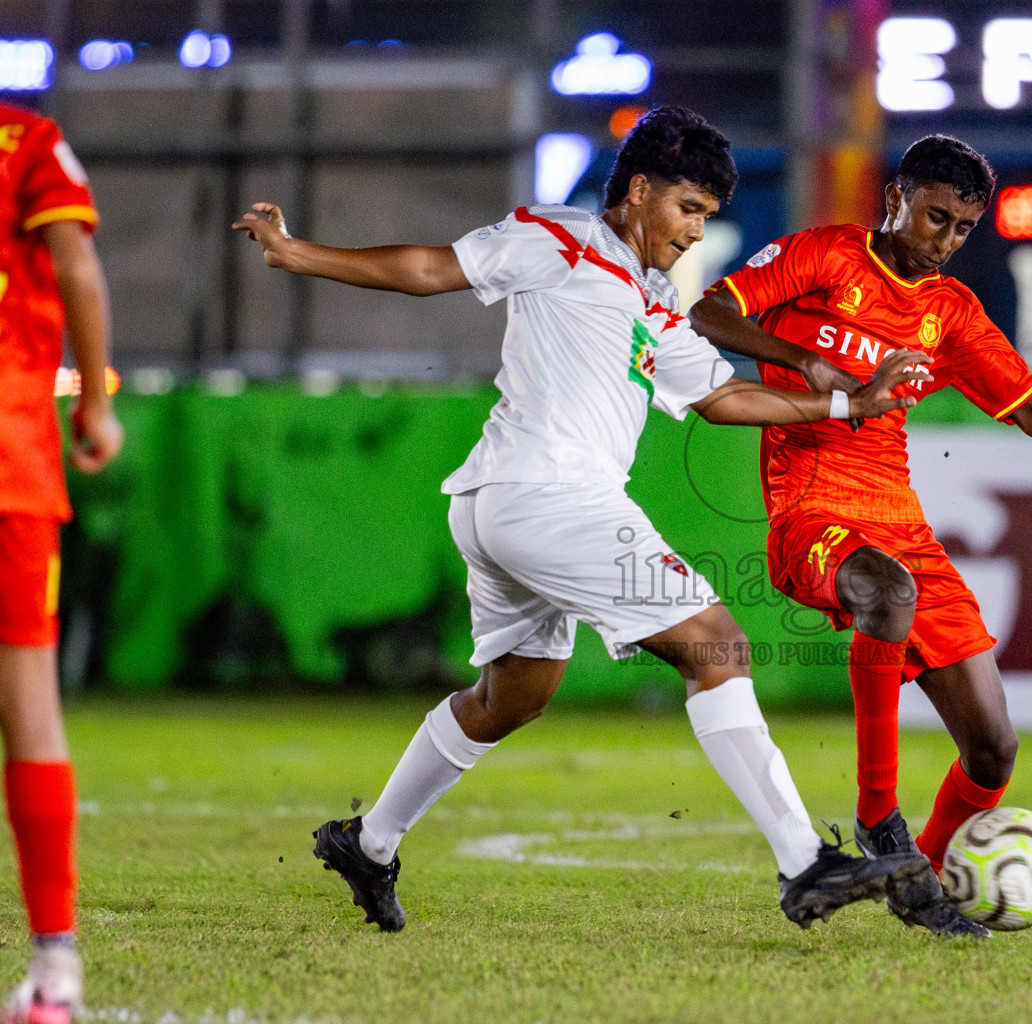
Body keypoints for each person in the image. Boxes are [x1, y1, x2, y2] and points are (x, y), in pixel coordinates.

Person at [233, 106, 933, 933]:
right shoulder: (560, 237)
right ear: (638, 191)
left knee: (511, 698)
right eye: (687, 209)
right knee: (721, 644)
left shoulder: (655, 297)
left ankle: (370, 842)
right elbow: (432, 268)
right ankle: (803, 862)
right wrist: (295, 251)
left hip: (506, 506)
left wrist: (850, 401)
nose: (693, 232)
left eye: (706, 217)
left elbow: (722, 396)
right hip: (548, 495)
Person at [688, 134, 1032, 938]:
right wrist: (805, 363)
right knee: (886, 593)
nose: (947, 241)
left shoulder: (949, 313)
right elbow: (707, 311)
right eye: (935, 218)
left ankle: (913, 877)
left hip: (902, 525)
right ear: (896, 198)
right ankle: (878, 820)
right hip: (811, 512)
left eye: (964, 228)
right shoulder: (823, 257)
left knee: (994, 749)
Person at [0, 100, 124, 1022]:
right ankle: (54, 973)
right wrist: (93, 407)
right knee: (30, 710)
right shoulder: (27, 140)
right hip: (10, 461)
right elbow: (76, 263)